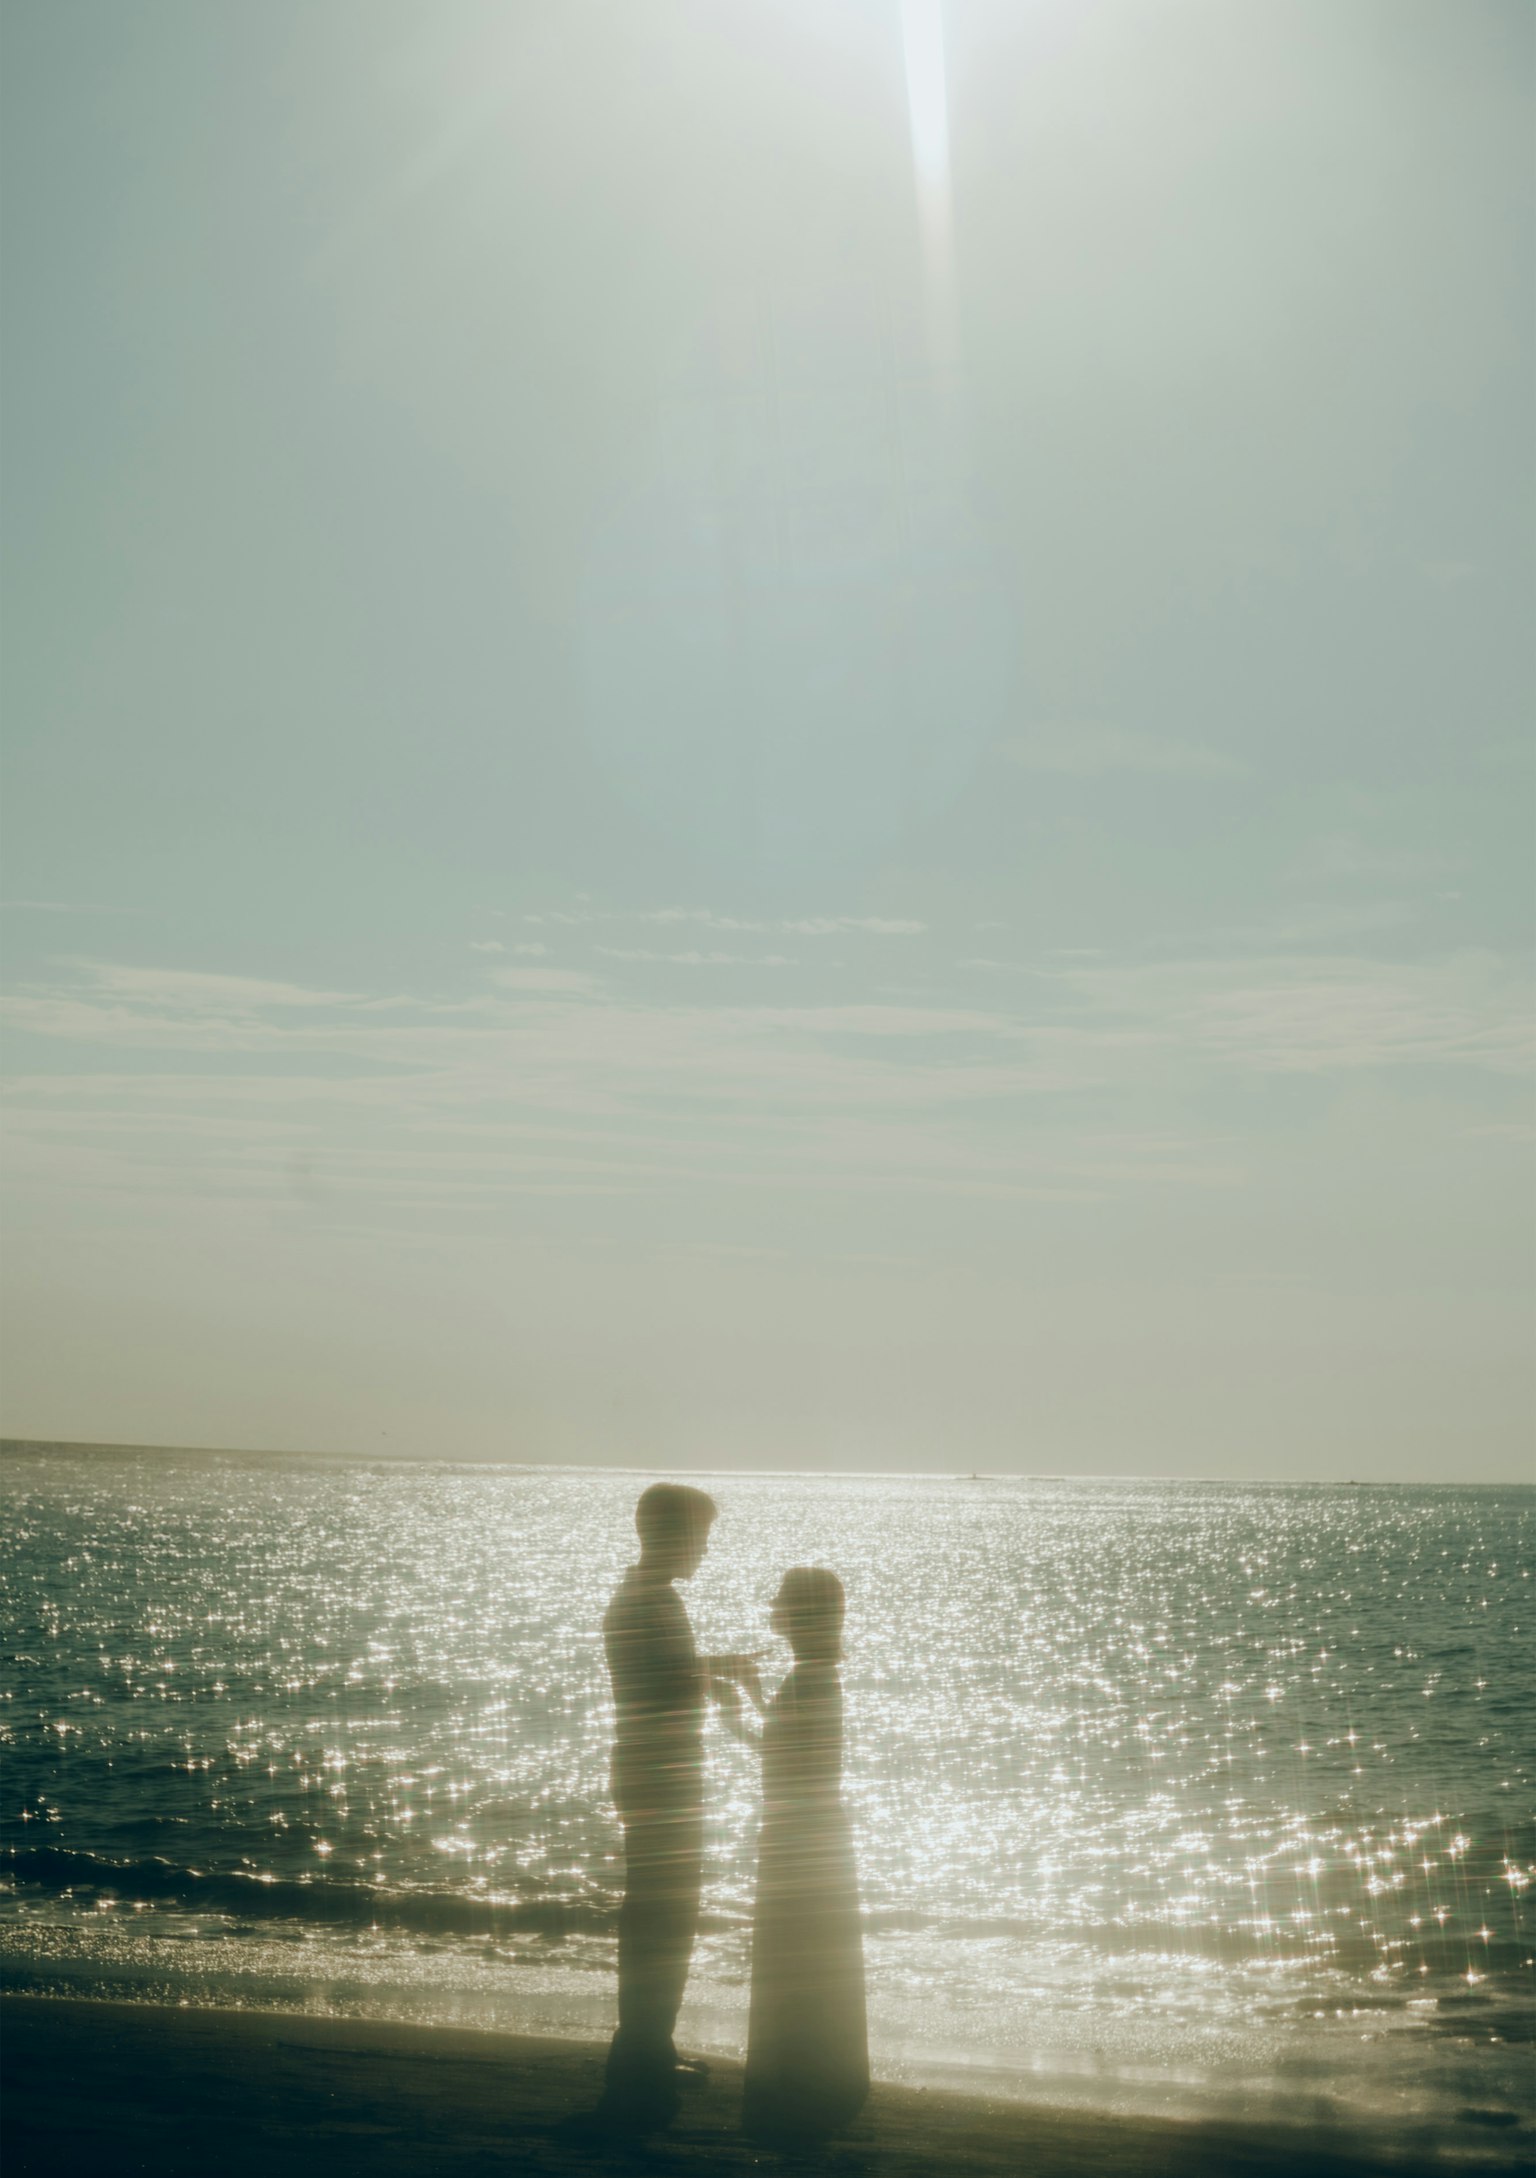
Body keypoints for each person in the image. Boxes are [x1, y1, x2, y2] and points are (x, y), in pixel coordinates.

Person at [597, 1482, 753, 2132]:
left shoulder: (646, 1599)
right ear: (675, 1537)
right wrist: (718, 1679)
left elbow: (665, 1675)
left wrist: (714, 1670)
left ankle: (647, 2051)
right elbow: (666, 1686)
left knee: (658, 1920)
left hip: (650, 1773)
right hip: (663, 1779)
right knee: (666, 1923)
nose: (705, 1551)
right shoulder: (652, 1603)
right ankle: (640, 2063)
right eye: (702, 1538)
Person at [720, 1565, 869, 2143]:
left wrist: (736, 1712)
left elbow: (783, 1761)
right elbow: (793, 1751)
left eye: (781, 1599)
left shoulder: (810, 1680)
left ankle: (800, 2081)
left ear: (800, 1614)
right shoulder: (815, 1675)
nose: (772, 1606)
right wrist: (753, 1698)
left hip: (798, 1833)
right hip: (816, 1828)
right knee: (811, 1955)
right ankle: (817, 2076)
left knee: (795, 1953)